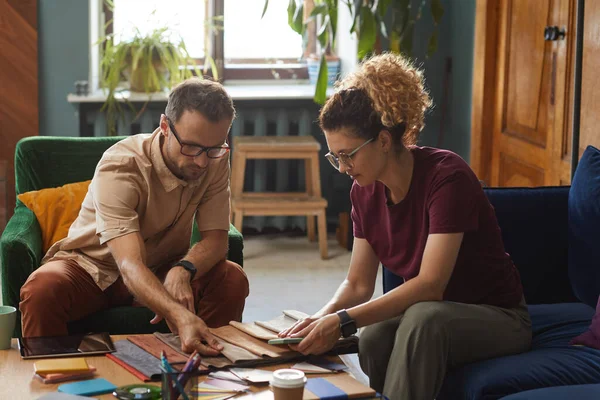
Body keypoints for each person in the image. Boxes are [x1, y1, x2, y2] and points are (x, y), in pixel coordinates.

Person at [279, 53, 532, 400]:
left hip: (499, 318)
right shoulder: (363, 192)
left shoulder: (447, 177)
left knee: (423, 319)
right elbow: (357, 283)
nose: (342, 167)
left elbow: (430, 285)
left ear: (383, 141)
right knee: (373, 335)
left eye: (348, 154)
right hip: (432, 317)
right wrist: (318, 320)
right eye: (335, 156)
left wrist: (342, 322)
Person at [20, 78, 249, 356]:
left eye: (213, 148)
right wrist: (178, 314)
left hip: (162, 266)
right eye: (191, 147)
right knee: (42, 289)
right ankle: (52, 389)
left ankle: (204, 374)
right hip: (94, 267)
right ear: (165, 127)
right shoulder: (121, 165)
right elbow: (129, 264)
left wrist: (183, 270)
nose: (202, 161)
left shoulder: (215, 158)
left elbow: (216, 241)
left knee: (231, 278)